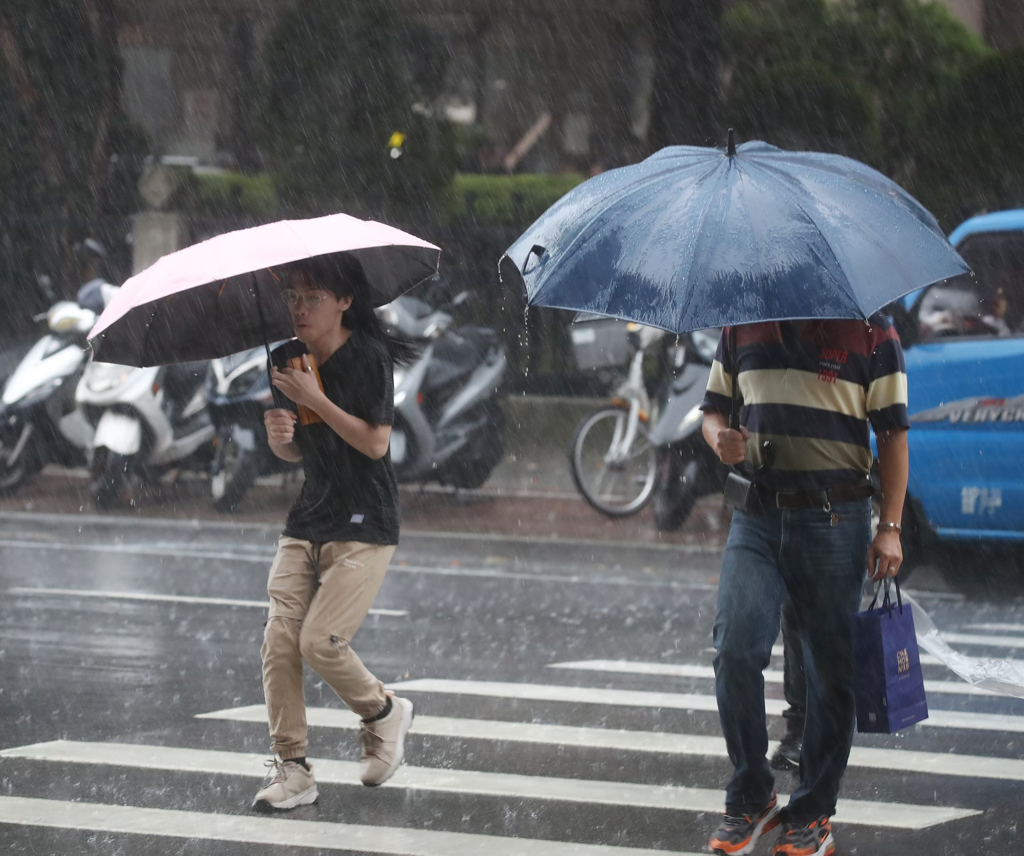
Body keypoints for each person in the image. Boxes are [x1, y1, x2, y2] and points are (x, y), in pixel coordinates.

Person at [701, 317, 909, 856]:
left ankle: (814, 810)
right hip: (757, 516)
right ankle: (751, 794)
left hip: (835, 518)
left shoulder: (872, 331)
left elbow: (891, 432)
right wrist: (719, 438)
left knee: (829, 671)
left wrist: (890, 526)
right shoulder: (741, 326)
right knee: (735, 648)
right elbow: (714, 409)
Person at [252, 254, 417, 811]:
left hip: (364, 521)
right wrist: (280, 435)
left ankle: (382, 711)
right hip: (308, 517)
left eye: (312, 297)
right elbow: (300, 446)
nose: (299, 308)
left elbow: (375, 444)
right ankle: (293, 767)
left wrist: (313, 399)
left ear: (345, 301)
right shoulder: (285, 359)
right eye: (292, 298)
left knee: (318, 642)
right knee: (279, 640)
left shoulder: (368, 356)